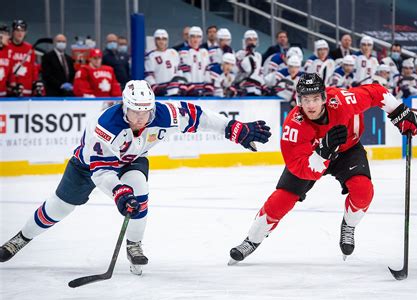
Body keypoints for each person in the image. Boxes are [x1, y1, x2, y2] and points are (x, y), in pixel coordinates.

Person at [0, 80, 272, 276]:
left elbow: (198, 115)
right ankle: (21, 238)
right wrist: (118, 192)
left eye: (146, 111)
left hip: (131, 161)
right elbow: (102, 171)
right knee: (57, 209)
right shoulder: (106, 127)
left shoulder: (161, 113)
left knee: (140, 190)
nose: (142, 117)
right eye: (135, 112)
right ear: (124, 108)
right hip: (88, 167)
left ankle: (134, 245)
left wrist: (232, 128)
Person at [228, 72, 417, 264]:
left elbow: (376, 92)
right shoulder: (293, 126)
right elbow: (300, 168)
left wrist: (399, 112)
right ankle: (251, 240)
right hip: (310, 159)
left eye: (315, 99)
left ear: (324, 98)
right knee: (282, 199)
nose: (311, 105)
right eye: (305, 99)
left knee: (363, 191)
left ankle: (349, 225)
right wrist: (322, 153)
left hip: (347, 150)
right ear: (298, 100)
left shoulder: (343, 100)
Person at [8, 19, 40, 97]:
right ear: (13, 32)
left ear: (25, 33)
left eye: (22, 30)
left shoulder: (30, 48)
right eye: (17, 30)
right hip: (10, 93)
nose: (20, 33)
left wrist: (36, 82)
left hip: (27, 92)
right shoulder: (7, 47)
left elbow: (33, 68)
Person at [144, 29, 180, 96]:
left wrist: (182, 85)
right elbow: (148, 75)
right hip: (162, 92)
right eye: (158, 39)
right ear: (155, 40)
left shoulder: (174, 53)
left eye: (164, 39)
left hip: (176, 91)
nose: (161, 41)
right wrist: (156, 88)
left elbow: (179, 70)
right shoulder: (151, 56)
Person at [177, 26, 210, 96]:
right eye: (193, 36)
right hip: (189, 90)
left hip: (202, 89)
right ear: (189, 38)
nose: (195, 39)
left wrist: (208, 86)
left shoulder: (204, 52)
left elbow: (206, 70)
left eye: (198, 37)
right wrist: (189, 86)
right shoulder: (184, 51)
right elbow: (184, 71)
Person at [235, 30, 265, 96]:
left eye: (254, 39)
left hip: (257, 86)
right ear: (245, 41)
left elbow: (258, 72)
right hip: (243, 86)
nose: (252, 42)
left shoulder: (258, 55)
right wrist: (245, 55)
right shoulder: (239, 54)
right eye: (249, 39)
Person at [0, 24, 12, 97]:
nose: (9, 37)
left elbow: (9, 74)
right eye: (6, 34)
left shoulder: (8, 51)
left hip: (3, 95)